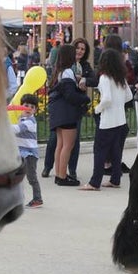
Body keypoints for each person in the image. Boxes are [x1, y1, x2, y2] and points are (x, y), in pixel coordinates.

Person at [80, 49, 133, 191]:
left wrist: (97, 109)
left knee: (100, 151)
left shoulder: (104, 78)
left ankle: (94, 182)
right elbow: (129, 96)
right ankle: (115, 179)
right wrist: (118, 103)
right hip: (120, 120)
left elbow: (107, 99)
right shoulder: (121, 78)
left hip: (107, 121)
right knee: (116, 151)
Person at [42, 37, 92, 180]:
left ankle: (59, 173)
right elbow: (70, 95)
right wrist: (85, 99)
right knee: (68, 145)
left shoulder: (59, 71)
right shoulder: (68, 73)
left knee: (60, 145)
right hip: (67, 114)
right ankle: (62, 176)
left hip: (58, 113)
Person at [13, 93, 43, 207]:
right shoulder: (21, 118)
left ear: (35, 110)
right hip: (21, 153)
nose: (28, 108)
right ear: (21, 107)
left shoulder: (30, 121)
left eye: (32, 107)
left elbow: (17, 129)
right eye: (26, 105)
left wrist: (4, 126)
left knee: (31, 177)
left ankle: (37, 199)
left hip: (30, 155)